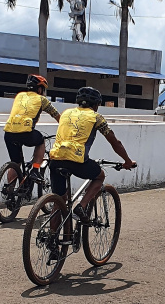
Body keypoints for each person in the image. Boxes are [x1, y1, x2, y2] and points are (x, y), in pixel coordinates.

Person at [49, 87, 137, 225]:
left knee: (59, 201)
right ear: (96, 104)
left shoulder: (66, 113)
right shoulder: (96, 117)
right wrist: (127, 161)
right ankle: (81, 206)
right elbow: (115, 142)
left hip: (55, 159)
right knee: (99, 176)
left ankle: (52, 240)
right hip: (77, 161)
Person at [3, 74, 62, 190]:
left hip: (8, 133)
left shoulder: (19, 96)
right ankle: (35, 169)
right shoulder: (42, 99)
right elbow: (57, 116)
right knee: (41, 141)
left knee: (16, 163)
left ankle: (9, 191)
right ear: (40, 89)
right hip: (25, 133)